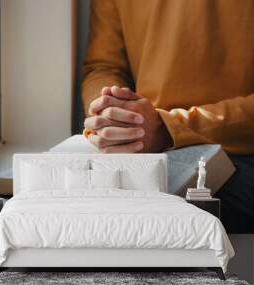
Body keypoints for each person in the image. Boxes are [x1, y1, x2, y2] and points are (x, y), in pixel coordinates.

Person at [81, 0, 254, 233]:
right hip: (144, 145)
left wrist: (166, 127)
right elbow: (103, 67)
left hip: (238, 153)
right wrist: (110, 110)